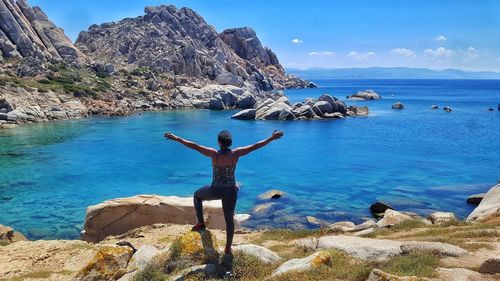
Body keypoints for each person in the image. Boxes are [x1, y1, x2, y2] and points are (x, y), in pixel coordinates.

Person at [164, 130, 284, 254]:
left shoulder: (214, 154)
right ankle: (227, 248)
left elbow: (195, 146)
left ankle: (201, 223)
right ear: (230, 142)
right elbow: (255, 146)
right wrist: (271, 138)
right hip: (231, 191)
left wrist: (177, 138)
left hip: (215, 189)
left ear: (219, 142)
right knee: (229, 220)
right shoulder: (236, 154)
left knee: (197, 196)